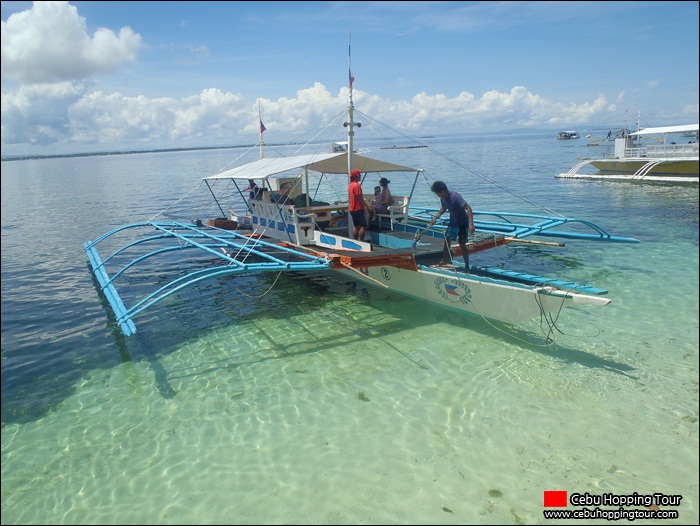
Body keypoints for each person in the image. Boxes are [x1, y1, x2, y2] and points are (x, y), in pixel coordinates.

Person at [429, 180, 475, 272]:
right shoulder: (443, 198)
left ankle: (466, 266)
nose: (437, 195)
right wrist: (436, 217)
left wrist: (471, 224)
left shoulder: (455, 196)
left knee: (462, 244)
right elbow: (443, 207)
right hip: (453, 222)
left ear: (441, 191)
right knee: (447, 239)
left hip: (462, 223)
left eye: (437, 193)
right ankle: (444, 260)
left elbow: (468, 208)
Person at [347, 169, 368, 240]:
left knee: (356, 226)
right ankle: (362, 241)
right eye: (359, 175)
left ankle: (355, 240)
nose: (360, 177)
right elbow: (359, 198)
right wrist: (366, 206)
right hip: (358, 208)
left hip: (352, 208)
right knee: (363, 226)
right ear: (356, 176)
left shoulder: (350, 186)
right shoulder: (357, 185)